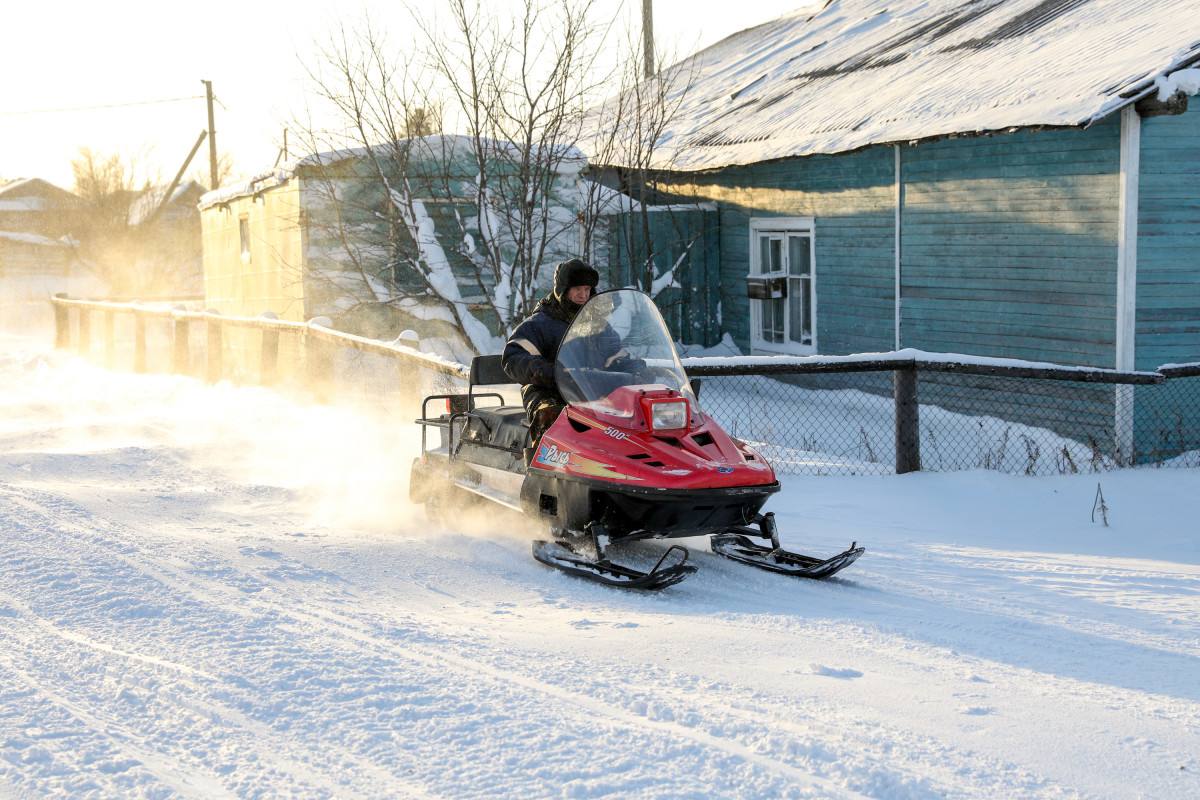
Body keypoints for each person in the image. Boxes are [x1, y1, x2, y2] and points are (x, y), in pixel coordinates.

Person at [502, 259, 599, 450]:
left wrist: (638, 369)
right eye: (577, 289)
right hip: (548, 391)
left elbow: (616, 356)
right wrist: (548, 372)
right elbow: (513, 357)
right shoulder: (540, 323)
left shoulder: (597, 324)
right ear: (563, 289)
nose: (583, 295)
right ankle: (539, 465)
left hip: (591, 391)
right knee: (551, 415)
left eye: (587, 289)